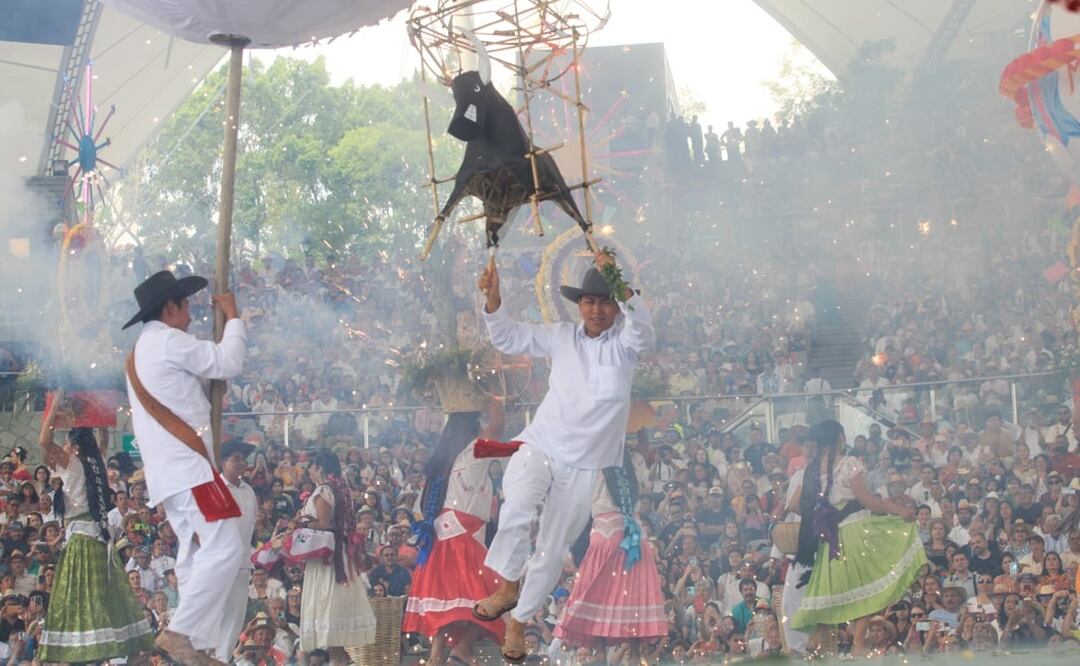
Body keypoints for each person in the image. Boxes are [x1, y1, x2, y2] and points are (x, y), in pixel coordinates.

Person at [472, 252, 654, 663]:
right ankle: (507, 583)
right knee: (517, 506)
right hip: (540, 444)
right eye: (589, 301)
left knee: (553, 549)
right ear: (579, 305)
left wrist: (620, 283)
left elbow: (645, 332)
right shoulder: (561, 336)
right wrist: (494, 300)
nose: (596, 309)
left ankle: (518, 620)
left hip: (584, 466)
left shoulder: (625, 346)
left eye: (605, 301)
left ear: (615, 306)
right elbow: (507, 338)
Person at [123, 270, 248, 665]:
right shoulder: (167, 341)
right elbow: (228, 361)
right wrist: (234, 318)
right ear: (170, 307)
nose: (192, 312)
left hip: (171, 472)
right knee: (226, 545)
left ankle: (194, 643)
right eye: (186, 304)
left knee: (196, 552)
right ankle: (180, 633)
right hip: (188, 467)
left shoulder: (141, 350)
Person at [789, 420, 925, 657]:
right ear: (840, 437)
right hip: (856, 533)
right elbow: (869, 501)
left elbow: (793, 505)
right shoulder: (849, 464)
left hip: (829, 539)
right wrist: (899, 510)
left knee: (831, 591)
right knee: (866, 586)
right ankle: (858, 644)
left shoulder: (809, 470)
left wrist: (824, 518)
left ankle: (817, 646)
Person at [36, 393, 154, 663]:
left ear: (74, 447)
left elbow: (43, 441)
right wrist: (100, 415)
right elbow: (103, 441)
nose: (62, 447)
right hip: (101, 546)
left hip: (81, 545)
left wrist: (54, 407)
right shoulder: (97, 464)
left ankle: (84, 655)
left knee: (78, 606)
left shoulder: (74, 464)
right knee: (101, 604)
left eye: (66, 443)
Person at [403, 398, 508, 665]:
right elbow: (497, 425)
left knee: (450, 607)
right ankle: (461, 648)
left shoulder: (443, 464)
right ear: (471, 430)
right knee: (498, 600)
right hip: (463, 541)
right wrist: (495, 392)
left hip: (443, 542)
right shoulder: (472, 453)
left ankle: (443, 655)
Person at [552, 452, 667, 663]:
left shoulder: (589, 461)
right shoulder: (635, 460)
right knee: (633, 596)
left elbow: (577, 504)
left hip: (605, 532)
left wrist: (567, 545)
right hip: (634, 535)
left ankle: (601, 652)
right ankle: (633, 654)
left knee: (598, 594)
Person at [297, 448, 376, 663]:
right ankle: (341, 660)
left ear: (319, 467)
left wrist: (301, 523)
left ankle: (342, 661)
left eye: (311, 468)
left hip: (328, 559)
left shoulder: (325, 489)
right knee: (330, 619)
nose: (309, 473)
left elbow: (323, 524)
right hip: (338, 554)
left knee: (328, 612)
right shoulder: (341, 487)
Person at [217, 439, 258, 662]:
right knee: (217, 615)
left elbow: (251, 526)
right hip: (220, 563)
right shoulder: (216, 489)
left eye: (243, 460)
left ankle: (223, 660)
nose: (241, 463)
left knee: (235, 617)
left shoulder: (249, 491)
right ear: (223, 462)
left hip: (243, 562)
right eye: (236, 459)